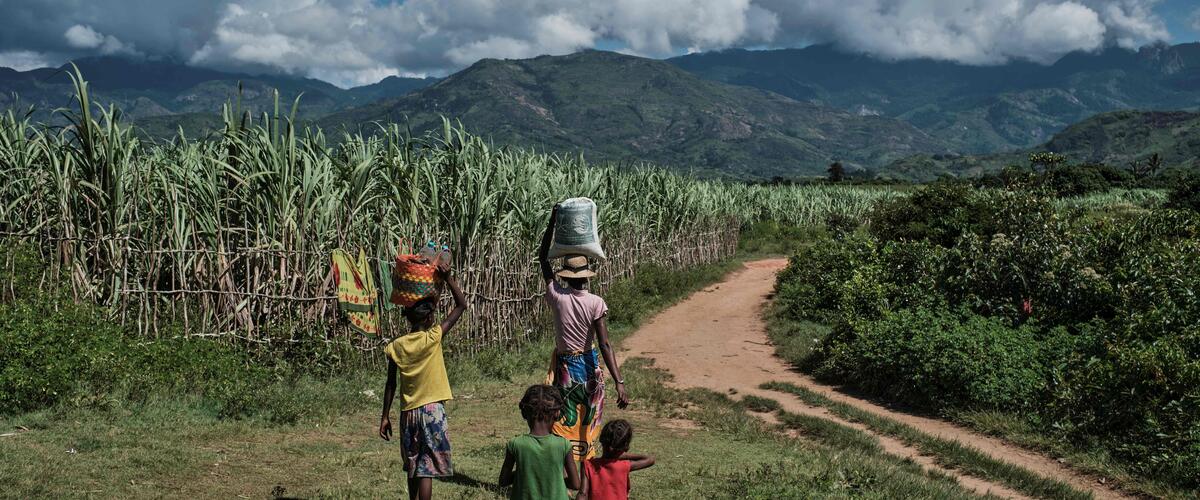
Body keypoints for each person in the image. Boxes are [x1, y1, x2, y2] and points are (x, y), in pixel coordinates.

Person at [538, 205, 629, 462]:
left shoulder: (556, 296)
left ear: (565, 277)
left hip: (565, 367)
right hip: (588, 366)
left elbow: (542, 258)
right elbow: (605, 345)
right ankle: (585, 473)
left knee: (564, 416)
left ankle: (565, 470)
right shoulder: (596, 302)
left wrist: (553, 221)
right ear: (587, 277)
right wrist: (619, 381)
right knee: (588, 419)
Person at [379, 261, 468, 500]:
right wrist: (448, 278)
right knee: (426, 467)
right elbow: (462, 305)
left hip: (408, 413)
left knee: (412, 464)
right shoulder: (433, 337)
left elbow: (391, 384)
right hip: (432, 411)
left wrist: (385, 416)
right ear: (429, 318)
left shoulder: (396, 346)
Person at [499, 385, 582, 500]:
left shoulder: (515, 444)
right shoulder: (564, 445)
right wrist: (553, 477)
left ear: (524, 413)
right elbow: (575, 484)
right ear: (557, 413)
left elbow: (503, 481)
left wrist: (525, 471)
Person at [578, 419, 655, 500]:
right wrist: (623, 455)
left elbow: (583, 494)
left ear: (601, 439)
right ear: (625, 446)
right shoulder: (624, 466)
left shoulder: (588, 465)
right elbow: (650, 459)